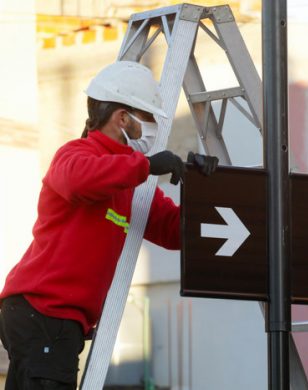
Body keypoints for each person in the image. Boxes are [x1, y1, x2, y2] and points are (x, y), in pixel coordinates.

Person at [0, 61, 218, 389]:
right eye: (148, 118)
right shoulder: (76, 154)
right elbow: (78, 181)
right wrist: (144, 166)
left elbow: (174, 230)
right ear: (122, 118)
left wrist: (204, 188)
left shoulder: (133, 183)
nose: (154, 128)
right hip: (43, 310)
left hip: (55, 318)